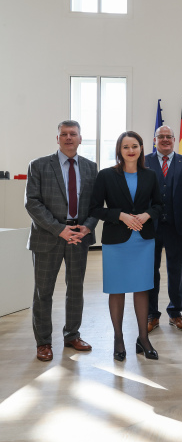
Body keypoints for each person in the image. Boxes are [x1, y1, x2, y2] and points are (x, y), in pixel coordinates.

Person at [25, 120, 98, 361]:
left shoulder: (90, 167)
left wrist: (87, 227)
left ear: (80, 138)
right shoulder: (39, 166)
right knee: (43, 292)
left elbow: (96, 204)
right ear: (57, 138)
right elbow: (32, 202)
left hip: (78, 237)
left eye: (73, 134)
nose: (68, 138)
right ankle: (43, 342)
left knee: (75, 289)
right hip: (48, 237)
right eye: (64, 134)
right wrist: (59, 229)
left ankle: (72, 335)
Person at [90, 131, 163, 361]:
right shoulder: (106, 176)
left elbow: (161, 205)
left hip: (143, 240)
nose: (130, 150)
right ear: (119, 151)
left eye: (135, 146)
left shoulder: (151, 175)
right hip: (116, 241)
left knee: (142, 288)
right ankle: (118, 338)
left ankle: (143, 338)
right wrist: (120, 215)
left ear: (141, 148)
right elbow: (95, 209)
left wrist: (147, 215)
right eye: (125, 147)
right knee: (117, 289)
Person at [146, 125, 182, 333]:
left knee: (176, 272)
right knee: (151, 272)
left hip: (177, 227)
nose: (165, 140)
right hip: (150, 227)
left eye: (169, 137)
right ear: (155, 139)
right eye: (161, 137)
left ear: (175, 140)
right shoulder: (144, 161)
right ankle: (151, 314)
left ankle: (175, 312)